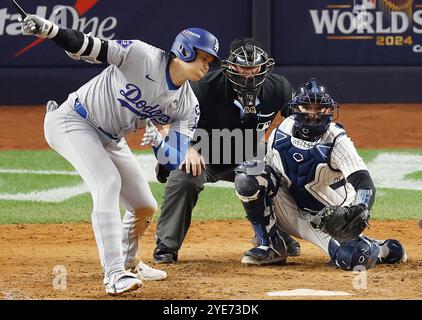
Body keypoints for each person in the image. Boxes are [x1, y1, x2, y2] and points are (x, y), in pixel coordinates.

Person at [20, 14, 220, 295]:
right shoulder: (141, 55)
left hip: (111, 139)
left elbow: (174, 161)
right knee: (107, 183)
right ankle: (113, 274)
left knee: (144, 206)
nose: (206, 66)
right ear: (184, 50)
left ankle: (129, 263)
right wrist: (50, 30)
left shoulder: (188, 105)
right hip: (73, 121)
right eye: (203, 58)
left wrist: (159, 142)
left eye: (210, 62)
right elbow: (90, 46)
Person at [153, 37, 301, 264]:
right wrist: (183, 149)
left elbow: (298, 125)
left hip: (249, 153)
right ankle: (166, 246)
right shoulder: (201, 88)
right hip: (204, 154)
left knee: (283, 173)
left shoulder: (278, 88)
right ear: (230, 66)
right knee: (184, 178)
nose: (249, 73)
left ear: (264, 66)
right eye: (243, 66)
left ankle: (275, 237)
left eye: (255, 67)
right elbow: (164, 121)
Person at [234, 78, 407, 269]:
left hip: (329, 220)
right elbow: (268, 177)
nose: (313, 114)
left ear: (329, 111)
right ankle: (271, 243)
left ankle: (383, 249)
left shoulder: (338, 140)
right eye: (307, 107)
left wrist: (360, 207)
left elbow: (363, 182)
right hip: (289, 209)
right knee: (248, 177)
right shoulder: (281, 131)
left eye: (320, 108)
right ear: (296, 108)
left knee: (353, 258)